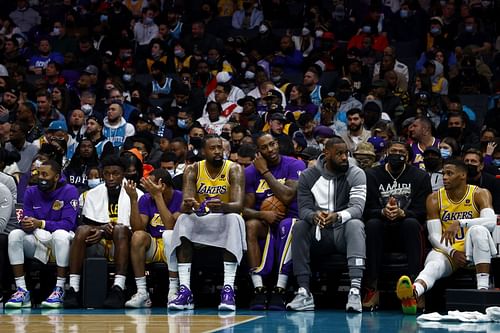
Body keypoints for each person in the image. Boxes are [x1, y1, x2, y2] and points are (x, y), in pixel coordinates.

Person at [396, 159, 497, 315]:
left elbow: (491, 222)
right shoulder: (434, 198)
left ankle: (482, 290)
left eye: (450, 173)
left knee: (479, 230)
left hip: (474, 249)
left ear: (463, 175)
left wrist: (461, 222)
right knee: (433, 265)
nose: (444, 177)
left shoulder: (479, 193)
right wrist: (453, 253)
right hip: (448, 250)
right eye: (443, 173)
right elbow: (433, 236)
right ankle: (413, 293)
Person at [287, 137, 367, 312]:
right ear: (327, 154)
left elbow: (357, 208)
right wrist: (314, 216)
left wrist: (338, 216)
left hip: (342, 233)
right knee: (300, 225)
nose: (344, 157)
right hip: (320, 233)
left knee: (355, 224)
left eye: (346, 153)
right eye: (339, 154)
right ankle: (304, 292)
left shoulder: (356, 173)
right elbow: (304, 209)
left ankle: (354, 290)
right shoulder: (308, 176)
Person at [167, 135, 246, 311]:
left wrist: (222, 206)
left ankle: (228, 290)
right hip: (202, 218)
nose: (218, 151)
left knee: (235, 219)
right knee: (182, 219)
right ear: (203, 151)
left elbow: (239, 205)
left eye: (220, 147)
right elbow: (184, 204)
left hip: (225, 217)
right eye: (213, 148)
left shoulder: (234, 169)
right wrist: (190, 205)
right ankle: (185, 291)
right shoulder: (193, 169)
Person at [64, 156, 144, 309]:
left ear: (123, 174)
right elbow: (87, 224)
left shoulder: (137, 194)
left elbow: (138, 229)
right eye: (107, 174)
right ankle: (73, 288)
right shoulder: (92, 194)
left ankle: (118, 287)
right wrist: (102, 230)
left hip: (124, 242)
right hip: (97, 242)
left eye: (116, 174)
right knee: (80, 231)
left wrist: (109, 229)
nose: (111, 177)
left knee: (120, 230)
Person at [362, 138, 432, 311]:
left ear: (409, 157)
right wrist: (381, 212)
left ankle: (415, 290)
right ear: (386, 153)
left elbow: (424, 211)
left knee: (411, 223)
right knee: (372, 224)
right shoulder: (371, 175)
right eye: (394, 151)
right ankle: (372, 288)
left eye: (402, 153)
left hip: (406, 232)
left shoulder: (420, 177)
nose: (397, 155)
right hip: (380, 231)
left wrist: (403, 213)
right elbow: (365, 208)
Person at [243, 133, 306, 310]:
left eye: (272, 144)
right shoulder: (249, 172)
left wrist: (265, 171)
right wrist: (262, 215)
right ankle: (258, 289)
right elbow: (244, 210)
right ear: (258, 152)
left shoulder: (295, 164)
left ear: (277, 144)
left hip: (291, 219)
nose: (270, 150)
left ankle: (280, 289)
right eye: (264, 147)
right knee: (251, 225)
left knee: (289, 225)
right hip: (265, 222)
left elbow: (287, 196)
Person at [5, 160, 79, 309]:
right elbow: (28, 218)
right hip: (38, 238)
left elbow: (68, 224)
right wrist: (27, 224)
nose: (41, 178)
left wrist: (41, 223)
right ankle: (22, 290)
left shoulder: (69, 191)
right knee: (15, 235)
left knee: (60, 234)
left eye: (45, 174)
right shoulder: (31, 191)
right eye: (39, 174)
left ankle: (59, 289)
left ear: (57, 177)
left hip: (62, 241)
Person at [125, 169, 183, 308]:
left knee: (168, 236)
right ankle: (142, 292)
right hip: (156, 244)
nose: (146, 188)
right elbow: (138, 228)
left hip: (176, 245)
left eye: (150, 184)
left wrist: (158, 197)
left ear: (162, 185)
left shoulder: (180, 197)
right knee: (138, 237)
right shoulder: (145, 198)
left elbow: (170, 226)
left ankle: (174, 292)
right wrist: (133, 200)